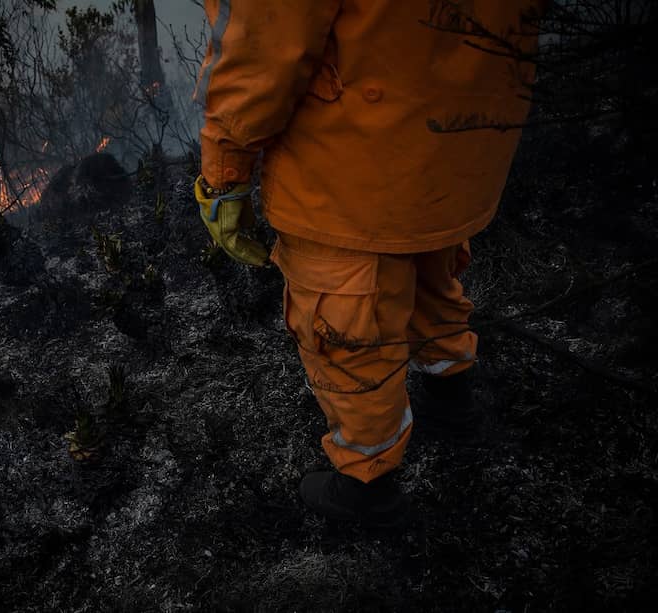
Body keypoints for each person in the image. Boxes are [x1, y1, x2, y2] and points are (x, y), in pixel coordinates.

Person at [192, 0, 543, 527]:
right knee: (430, 272)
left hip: (349, 157)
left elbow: (260, 40)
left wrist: (225, 172)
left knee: (347, 328)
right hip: (461, 133)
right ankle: (454, 403)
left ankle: (368, 485)